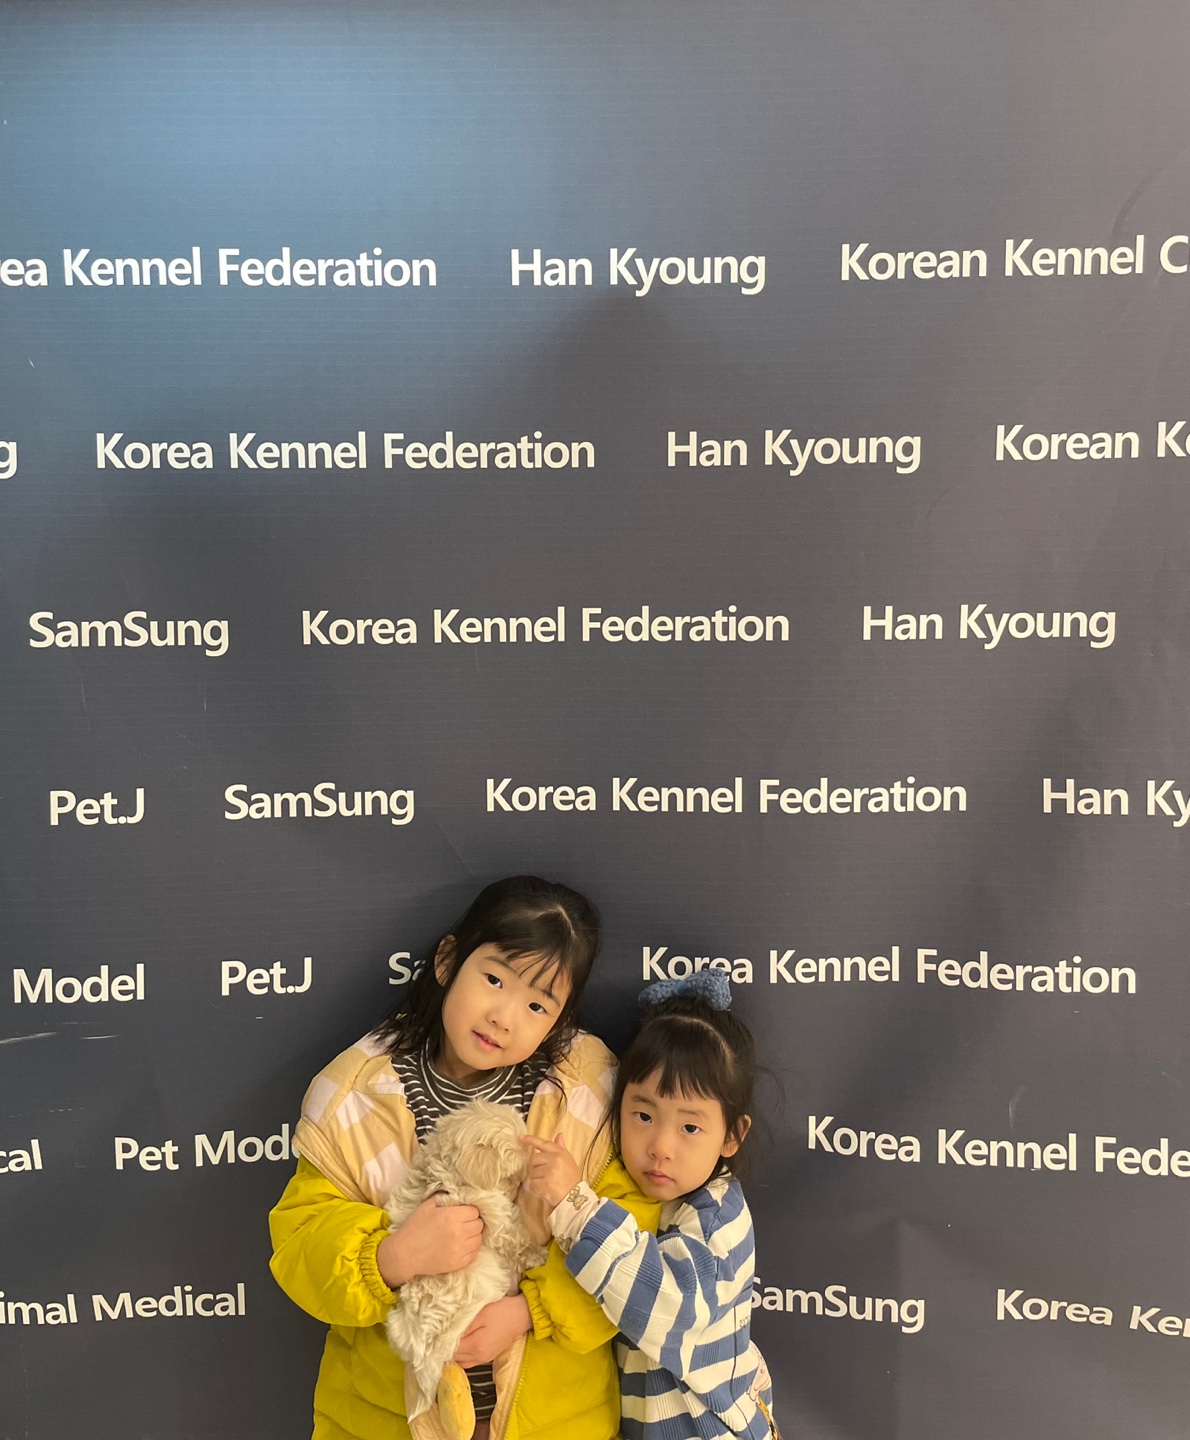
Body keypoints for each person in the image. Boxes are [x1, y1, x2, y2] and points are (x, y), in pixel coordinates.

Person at [270, 875, 655, 1440]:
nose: (504, 1016)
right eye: (494, 979)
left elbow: (636, 1238)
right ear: (448, 961)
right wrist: (392, 1257)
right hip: (386, 1416)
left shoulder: (586, 1095)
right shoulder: (357, 1096)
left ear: (560, 1019)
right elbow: (302, 1240)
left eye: (537, 1004)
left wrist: (531, 1311)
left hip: (553, 1417)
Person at [521, 972, 777, 1440]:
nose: (660, 1146)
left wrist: (576, 1206)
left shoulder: (717, 1219)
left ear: (732, 1136)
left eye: (690, 1127)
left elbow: (664, 1304)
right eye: (643, 1115)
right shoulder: (655, 1198)